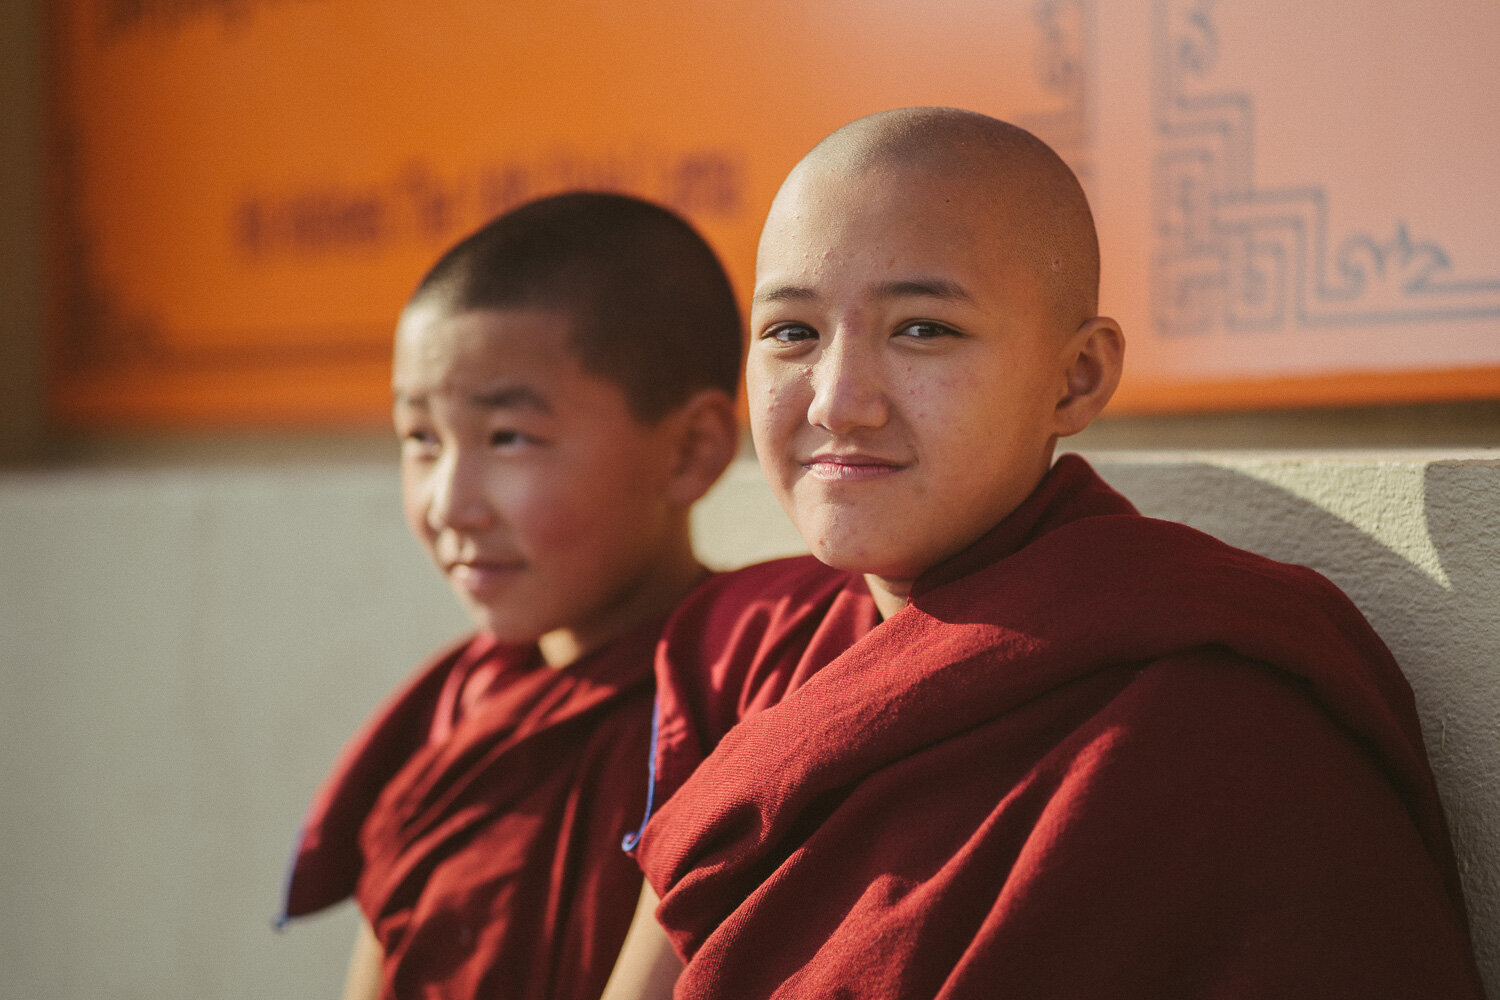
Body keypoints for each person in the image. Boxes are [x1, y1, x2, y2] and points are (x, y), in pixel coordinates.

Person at [604, 108, 1485, 998]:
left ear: (1078, 377)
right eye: (791, 332)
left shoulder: (1210, 715)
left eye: (924, 329)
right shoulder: (757, 652)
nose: (839, 400)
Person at [277, 191, 743, 1000]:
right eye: (421, 439)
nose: (450, 504)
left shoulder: (730, 712)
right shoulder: (459, 712)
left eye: (509, 439)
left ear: (690, 450)